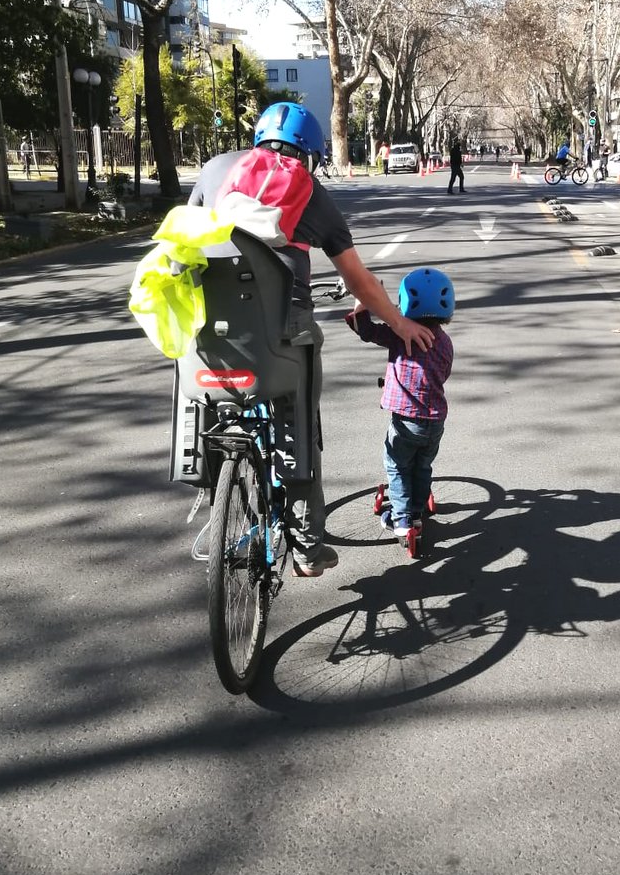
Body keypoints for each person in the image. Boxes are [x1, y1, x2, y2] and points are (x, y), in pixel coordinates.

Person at [188, 101, 434, 577]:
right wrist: (400, 325)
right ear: (311, 153)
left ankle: (209, 483)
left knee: (208, 400)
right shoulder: (310, 191)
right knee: (298, 425)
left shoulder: (215, 169)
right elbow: (359, 280)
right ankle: (305, 545)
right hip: (282, 337)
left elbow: (186, 239)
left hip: (207, 335)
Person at [345, 267, 454, 549]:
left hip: (405, 421)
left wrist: (361, 304)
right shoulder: (444, 342)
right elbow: (444, 373)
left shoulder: (399, 335)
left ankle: (402, 519)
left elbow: (365, 330)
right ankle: (417, 511)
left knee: (397, 466)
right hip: (435, 421)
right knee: (422, 465)